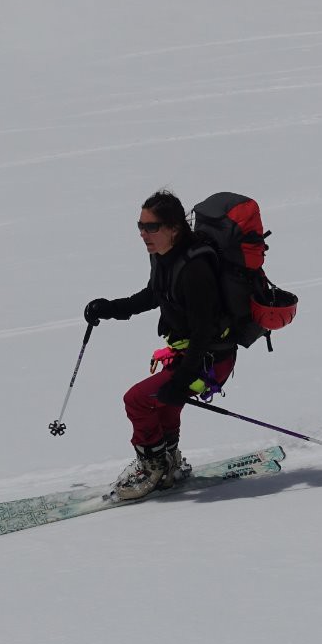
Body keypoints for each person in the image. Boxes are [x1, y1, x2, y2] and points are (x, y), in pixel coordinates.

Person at [84, 190, 236, 500]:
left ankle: (151, 468)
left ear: (175, 229)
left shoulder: (196, 269)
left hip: (209, 360)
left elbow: (204, 330)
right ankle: (168, 464)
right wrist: (111, 308)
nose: (143, 234)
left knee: (137, 400)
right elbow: (155, 294)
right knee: (163, 403)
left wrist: (182, 381)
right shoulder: (163, 256)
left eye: (151, 227)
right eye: (140, 226)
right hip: (188, 354)